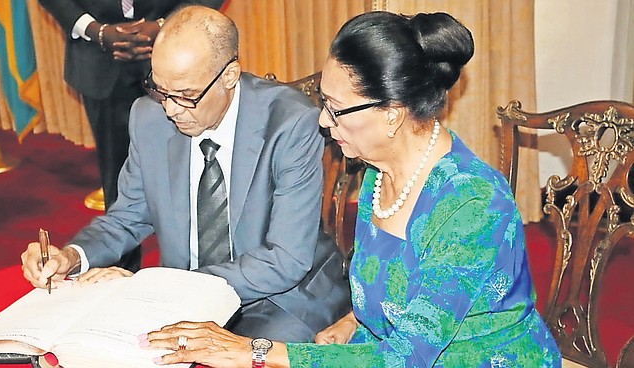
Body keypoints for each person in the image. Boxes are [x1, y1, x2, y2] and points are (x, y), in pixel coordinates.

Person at [137, 11, 562, 368]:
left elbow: (405, 358)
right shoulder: (380, 170)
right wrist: (354, 321)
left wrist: (256, 349)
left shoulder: (472, 205)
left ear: (392, 115)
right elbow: (389, 290)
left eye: (336, 110)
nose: (323, 122)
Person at [21, 5, 351, 343]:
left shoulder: (289, 122)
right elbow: (126, 218)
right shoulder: (148, 118)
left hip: (279, 300)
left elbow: (285, 260)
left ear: (229, 75)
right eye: (160, 89)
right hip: (180, 295)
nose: (171, 109)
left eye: (187, 96)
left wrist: (159, 288)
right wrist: (71, 256)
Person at [37, 0, 225, 271]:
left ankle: (200, 268)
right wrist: (93, 30)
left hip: (180, 57)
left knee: (199, 167)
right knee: (118, 184)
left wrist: (166, 26)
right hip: (99, 62)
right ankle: (123, 275)